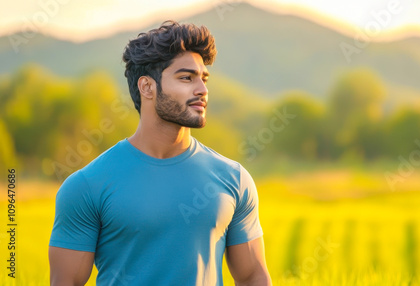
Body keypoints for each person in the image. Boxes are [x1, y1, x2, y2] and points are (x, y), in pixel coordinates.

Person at [48, 20, 271, 286]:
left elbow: (253, 277)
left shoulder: (233, 178)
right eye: (186, 78)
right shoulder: (87, 186)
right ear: (147, 87)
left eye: (204, 78)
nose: (202, 90)